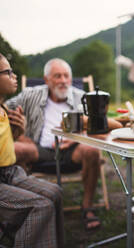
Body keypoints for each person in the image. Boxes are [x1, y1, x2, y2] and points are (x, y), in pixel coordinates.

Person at [6, 58, 102, 231]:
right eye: (57, 76)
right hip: (38, 149)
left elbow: (97, 126)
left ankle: (87, 206)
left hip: (71, 150)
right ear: (46, 80)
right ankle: (22, 206)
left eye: (66, 76)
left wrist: (78, 136)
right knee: (15, 148)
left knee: (93, 150)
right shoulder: (30, 94)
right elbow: (4, 107)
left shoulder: (82, 98)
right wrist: (19, 134)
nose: (63, 81)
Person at [0, 53, 64, 247]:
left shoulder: (3, 108)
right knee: (41, 206)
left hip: (9, 172)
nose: (14, 76)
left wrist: (17, 132)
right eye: (8, 72)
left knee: (55, 193)